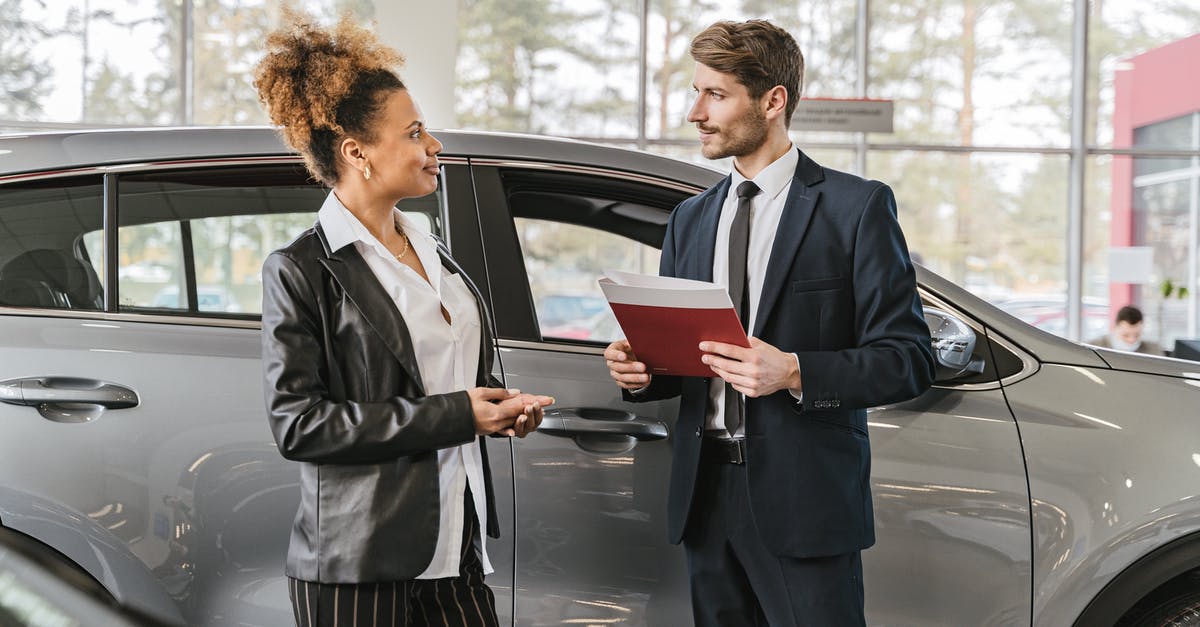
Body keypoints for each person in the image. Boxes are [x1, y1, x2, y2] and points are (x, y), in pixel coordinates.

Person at [604, 20, 935, 626]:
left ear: (773, 100)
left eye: (715, 95)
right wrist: (640, 372)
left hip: (805, 501)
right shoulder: (689, 219)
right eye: (695, 91)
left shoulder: (855, 208)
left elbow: (909, 358)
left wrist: (794, 371)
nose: (694, 112)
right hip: (706, 498)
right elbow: (685, 366)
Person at [255, 11, 552, 627]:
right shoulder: (303, 269)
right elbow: (300, 426)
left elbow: (451, 375)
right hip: (361, 561)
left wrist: (498, 411)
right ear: (357, 152)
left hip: (457, 544)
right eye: (415, 132)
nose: (433, 146)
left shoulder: (433, 250)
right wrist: (458, 414)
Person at [1088, 305, 1164, 355]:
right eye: (1125, 335)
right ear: (1115, 328)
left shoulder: (1154, 350)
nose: (1132, 340)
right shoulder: (1093, 347)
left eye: (1137, 335)